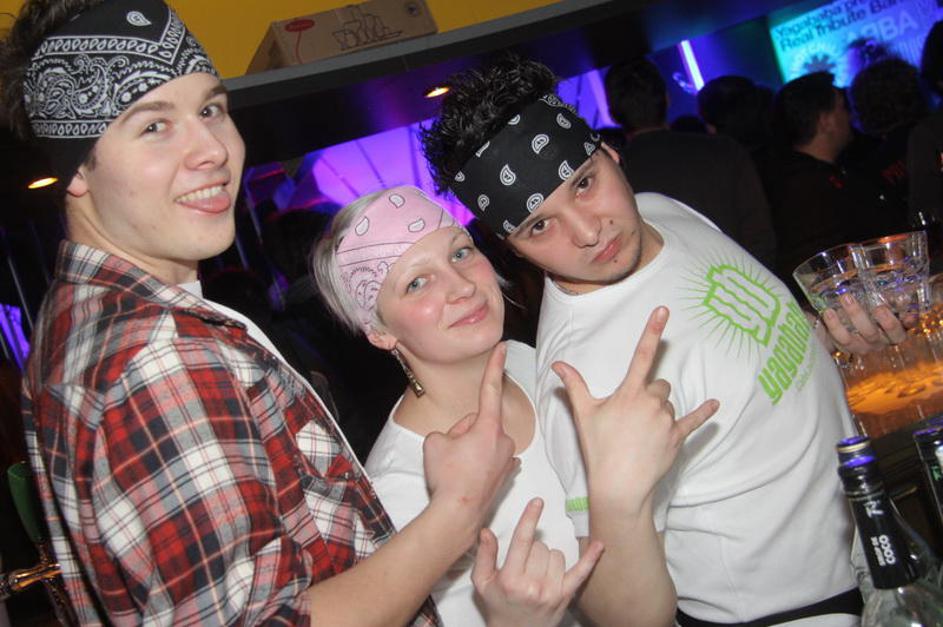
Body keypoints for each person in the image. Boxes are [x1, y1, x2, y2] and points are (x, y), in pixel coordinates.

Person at [2, 2, 599, 624]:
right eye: (154, 126)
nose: (212, 149)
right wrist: (460, 508)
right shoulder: (155, 354)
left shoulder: (82, 324)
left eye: (211, 110)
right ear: (76, 169)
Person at [422, 55, 867, 625]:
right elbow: (627, 618)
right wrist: (618, 498)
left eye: (584, 184)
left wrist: (832, 333)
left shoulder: (660, 210)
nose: (589, 232)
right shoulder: (584, 376)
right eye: (540, 225)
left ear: (612, 154)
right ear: (514, 249)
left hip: (874, 544)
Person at [312, 185, 718, 626]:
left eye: (460, 253)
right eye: (417, 283)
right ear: (379, 331)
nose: (462, 286)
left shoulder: (530, 361)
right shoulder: (402, 489)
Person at [604, 57, 776, 268]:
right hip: (746, 279)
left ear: (613, 115)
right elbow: (761, 237)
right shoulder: (723, 150)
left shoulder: (613, 181)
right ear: (667, 99)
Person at [762, 71, 903, 288]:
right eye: (842, 108)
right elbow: (820, 269)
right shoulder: (804, 189)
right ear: (825, 121)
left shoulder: (830, 174)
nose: (850, 116)